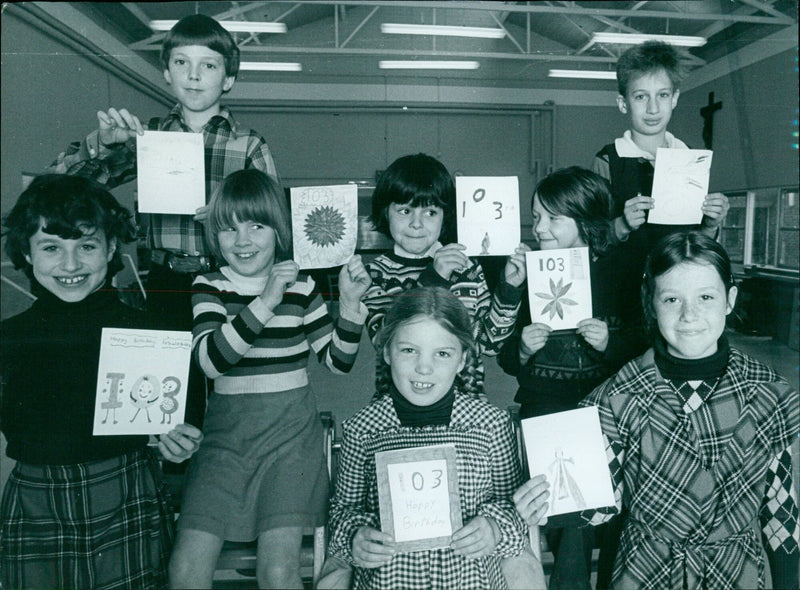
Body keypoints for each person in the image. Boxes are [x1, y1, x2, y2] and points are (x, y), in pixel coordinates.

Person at [516, 231, 799, 590]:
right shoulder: (616, 398)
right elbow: (596, 509)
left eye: (706, 297)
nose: (689, 315)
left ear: (730, 300)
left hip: (736, 572)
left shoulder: (770, 392)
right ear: (651, 303)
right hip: (643, 571)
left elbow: (780, 511)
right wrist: (547, 501)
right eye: (671, 300)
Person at [49, 14, 280, 427]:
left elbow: (274, 221)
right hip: (164, 284)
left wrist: (229, 214)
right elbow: (60, 186)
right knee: (166, 405)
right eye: (181, 63)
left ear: (227, 78)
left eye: (208, 65)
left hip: (231, 283)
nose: (193, 76)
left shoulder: (249, 144)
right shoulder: (144, 137)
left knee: (234, 395)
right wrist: (101, 144)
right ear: (166, 71)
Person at [167, 169, 372, 589]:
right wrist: (265, 300)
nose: (242, 241)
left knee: (278, 571)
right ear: (214, 236)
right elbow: (210, 361)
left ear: (278, 229)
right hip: (224, 444)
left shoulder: (303, 286)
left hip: (291, 445)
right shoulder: (209, 285)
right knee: (185, 571)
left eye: (256, 225)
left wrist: (350, 308)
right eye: (228, 228)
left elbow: (337, 362)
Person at [0, 174, 203, 590]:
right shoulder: (9, 337)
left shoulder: (152, 333)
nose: (70, 265)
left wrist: (181, 441)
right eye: (51, 248)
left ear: (111, 248)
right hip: (37, 504)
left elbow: (183, 420)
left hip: (126, 494)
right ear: (27, 251)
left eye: (86, 246)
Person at [498, 167, 647, 590]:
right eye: (535, 217)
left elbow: (645, 340)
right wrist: (522, 348)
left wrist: (610, 343)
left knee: (619, 509)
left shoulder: (619, 271)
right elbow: (507, 356)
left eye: (551, 218)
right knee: (568, 520)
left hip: (609, 414)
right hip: (546, 410)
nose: (539, 228)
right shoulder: (526, 273)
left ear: (585, 221)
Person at [325, 286, 532, 589]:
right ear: (387, 352)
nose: (424, 367)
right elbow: (343, 512)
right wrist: (356, 537)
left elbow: (514, 513)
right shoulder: (363, 428)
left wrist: (494, 530)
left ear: (462, 360)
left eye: (443, 353)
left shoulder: (490, 425)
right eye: (409, 350)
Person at [363, 153, 529, 396]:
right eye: (404, 211)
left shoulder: (467, 268)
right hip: (399, 409)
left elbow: (488, 344)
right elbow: (383, 341)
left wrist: (509, 289)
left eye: (430, 212)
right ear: (385, 212)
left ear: (445, 216)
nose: (417, 224)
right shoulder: (376, 273)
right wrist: (433, 280)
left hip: (466, 406)